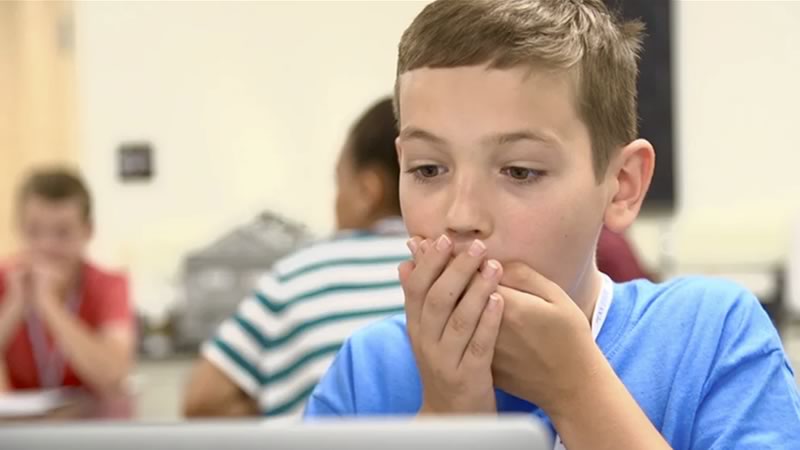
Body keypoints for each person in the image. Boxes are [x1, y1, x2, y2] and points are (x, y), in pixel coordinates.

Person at [304, 1, 800, 448]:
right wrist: (447, 418)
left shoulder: (708, 335)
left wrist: (576, 391)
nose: (461, 217)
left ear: (622, 184)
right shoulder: (365, 372)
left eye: (520, 171)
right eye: (428, 170)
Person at [183, 98, 408, 418]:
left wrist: (285, 405)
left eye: (338, 184)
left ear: (367, 192)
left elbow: (202, 401)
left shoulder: (299, 275)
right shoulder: (461, 272)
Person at [0, 168, 134, 394]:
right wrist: (13, 307)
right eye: (34, 231)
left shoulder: (109, 285)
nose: (47, 245)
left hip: (90, 424)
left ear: (87, 231)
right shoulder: (6, 280)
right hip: (19, 427)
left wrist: (49, 305)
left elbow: (112, 376)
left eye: (62, 232)